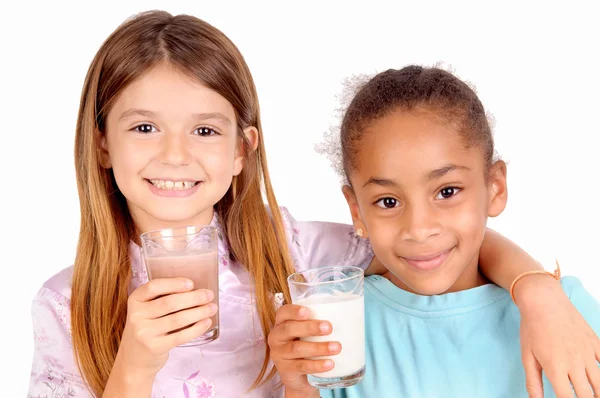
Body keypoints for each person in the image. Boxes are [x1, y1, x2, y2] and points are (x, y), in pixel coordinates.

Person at [28, 11, 598, 398]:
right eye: (145, 127)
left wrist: (540, 292)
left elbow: (426, 238)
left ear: (241, 151)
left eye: (205, 131)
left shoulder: (299, 251)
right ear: (102, 143)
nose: (176, 156)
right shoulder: (66, 303)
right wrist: (133, 366)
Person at [269, 66, 600, 398]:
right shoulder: (336, 329)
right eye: (388, 201)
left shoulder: (562, 311)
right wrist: (298, 388)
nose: (419, 229)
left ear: (495, 187)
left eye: (447, 192)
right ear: (356, 210)